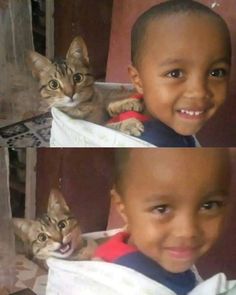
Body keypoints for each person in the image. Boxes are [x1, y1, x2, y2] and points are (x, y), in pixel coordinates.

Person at [94, 148, 233, 295]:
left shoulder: (113, 247)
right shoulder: (119, 280)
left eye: (209, 206)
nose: (187, 231)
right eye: (161, 209)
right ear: (123, 208)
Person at [125, 0, 232, 146]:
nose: (199, 92)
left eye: (216, 72)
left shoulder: (167, 130)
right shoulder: (138, 141)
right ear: (138, 80)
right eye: (175, 73)